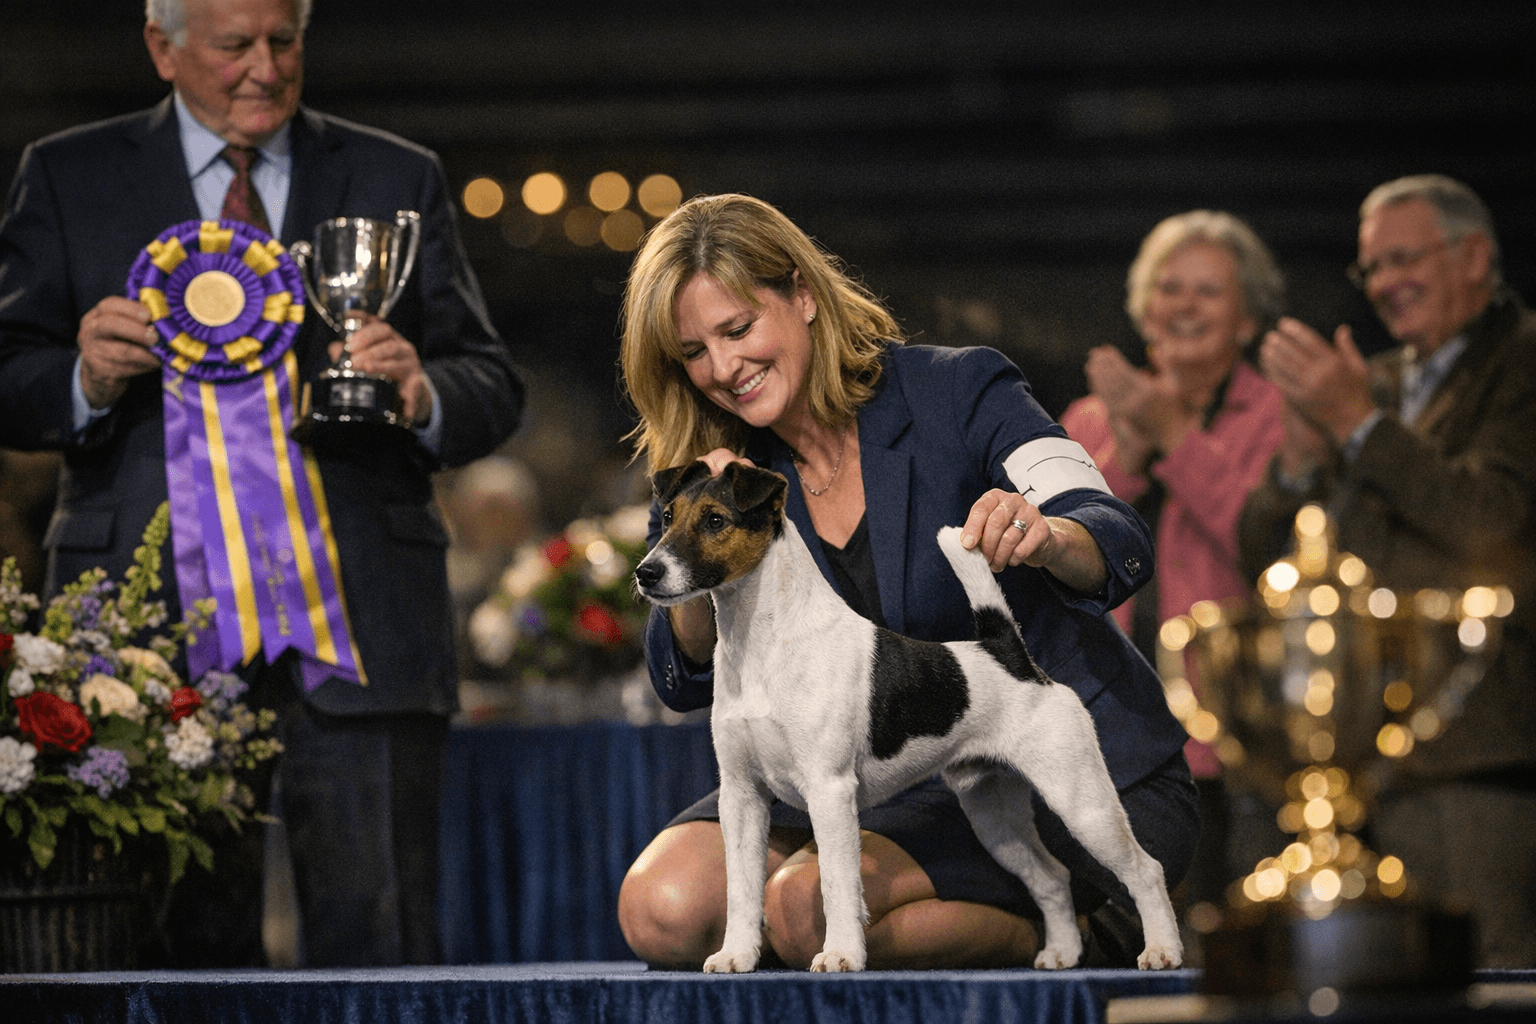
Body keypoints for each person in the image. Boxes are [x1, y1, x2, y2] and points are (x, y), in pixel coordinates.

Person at [0, 0, 524, 967]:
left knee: (386, 964)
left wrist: (421, 392)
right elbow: (10, 377)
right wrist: (83, 377)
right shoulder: (69, 174)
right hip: (143, 658)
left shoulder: (397, 173)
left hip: (364, 638)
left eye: (284, 41)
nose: (267, 68)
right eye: (235, 45)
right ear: (162, 48)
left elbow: (490, 386)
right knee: (165, 971)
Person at [615, 193, 1195, 970]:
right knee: (663, 908)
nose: (723, 369)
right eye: (693, 351)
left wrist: (1050, 535)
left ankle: (1069, 935)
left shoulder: (959, 390)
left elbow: (1109, 526)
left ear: (802, 295)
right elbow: (680, 677)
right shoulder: (717, 469)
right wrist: (696, 551)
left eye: (738, 328)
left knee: (804, 911)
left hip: (1058, 760)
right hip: (866, 777)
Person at [1237, 174, 1536, 967]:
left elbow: (1494, 521)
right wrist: (1301, 463)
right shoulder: (1377, 381)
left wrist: (1356, 422)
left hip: (1477, 755)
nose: (1382, 284)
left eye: (1403, 259)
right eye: (1370, 267)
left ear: (1474, 257)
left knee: (1488, 984)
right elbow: (1264, 564)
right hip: (1360, 764)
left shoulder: (1522, 360)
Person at [1059, 211, 1286, 903]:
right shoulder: (1088, 420)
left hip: (1244, 740)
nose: (1184, 305)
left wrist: (1176, 436)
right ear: (1143, 306)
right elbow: (1051, 557)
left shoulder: (1282, 414)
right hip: (1111, 741)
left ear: (1248, 320)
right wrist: (1127, 455)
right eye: (1169, 287)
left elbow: (1268, 546)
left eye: (1208, 291)